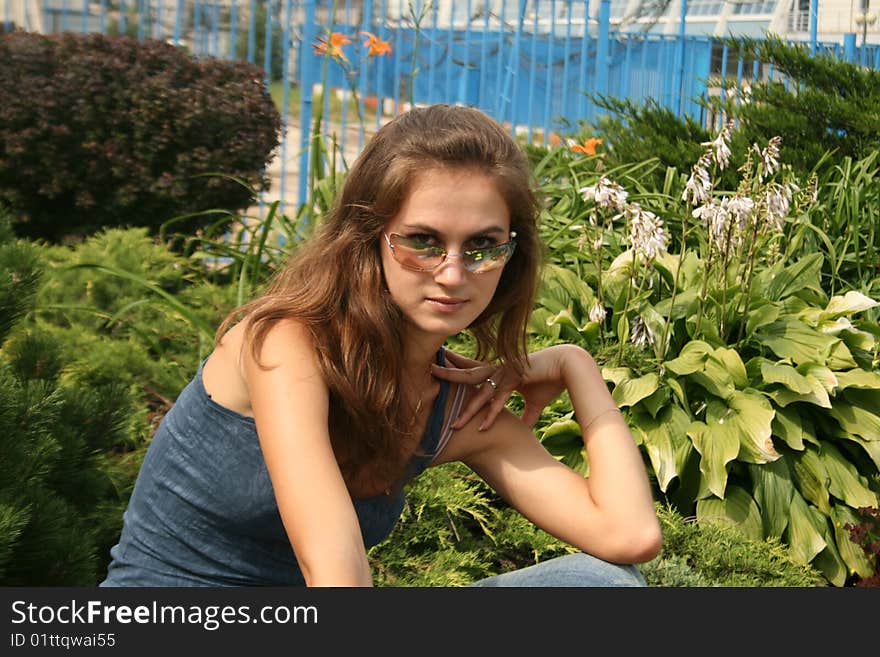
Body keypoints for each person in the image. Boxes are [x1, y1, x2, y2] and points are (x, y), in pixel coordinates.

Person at [100, 104, 661, 587]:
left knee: (602, 583)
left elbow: (627, 534)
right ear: (369, 239)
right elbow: (337, 577)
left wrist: (576, 365)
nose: (452, 274)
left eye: (484, 246)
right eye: (423, 242)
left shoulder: (453, 406)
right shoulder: (286, 343)